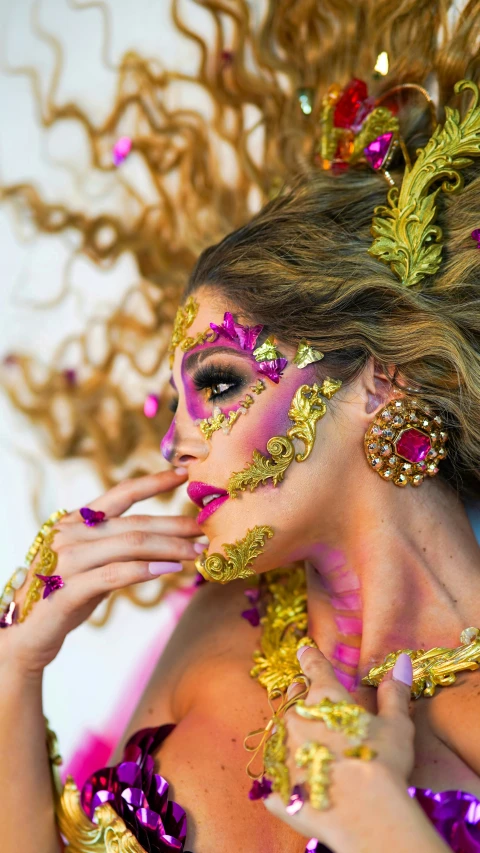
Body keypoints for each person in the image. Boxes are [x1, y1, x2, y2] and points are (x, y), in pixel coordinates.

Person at [3, 2, 480, 852]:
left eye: (217, 382)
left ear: (380, 378)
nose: (174, 443)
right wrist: (13, 672)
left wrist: (388, 833)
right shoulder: (225, 618)